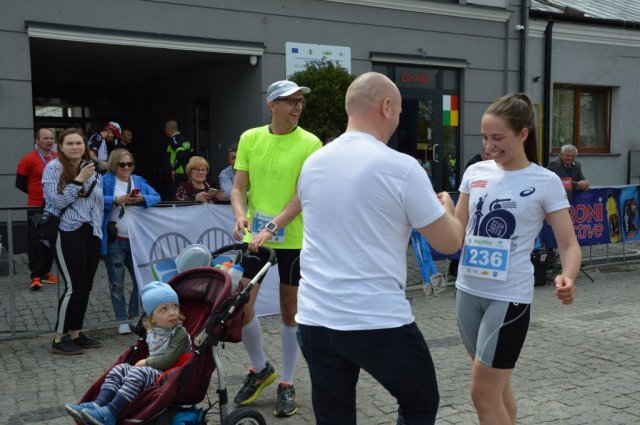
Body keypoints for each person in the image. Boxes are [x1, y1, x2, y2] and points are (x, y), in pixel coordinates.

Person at [254, 72, 463, 425]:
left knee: (334, 417)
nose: (397, 121)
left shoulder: (314, 162)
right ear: (386, 107)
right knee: (420, 401)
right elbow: (449, 242)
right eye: (398, 112)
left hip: (316, 318)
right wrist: (448, 210)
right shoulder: (401, 167)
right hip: (375, 317)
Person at [454, 93, 581, 424]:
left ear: (523, 134)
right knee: (496, 388)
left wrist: (568, 275)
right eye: (485, 137)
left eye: (498, 137)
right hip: (467, 291)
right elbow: (456, 231)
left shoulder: (545, 181)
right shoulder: (475, 172)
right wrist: (441, 212)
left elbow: (568, 243)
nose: (489, 146)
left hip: (508, 297)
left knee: (482, 392)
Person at [231, 80, 322, 417]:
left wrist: (272, 227)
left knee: (290, 309)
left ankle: (287, 381)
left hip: (293, 238)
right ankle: (260, 368)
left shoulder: (311, 142)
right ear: (272, 105)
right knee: (240, 305)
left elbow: (301, 195)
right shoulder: (250, 138)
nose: (297, 106)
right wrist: (240, 215)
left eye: (300, 101)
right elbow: (238, 188)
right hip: (254, 237)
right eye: (290, 101)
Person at [64, 281, 191, 425]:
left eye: (175, 306)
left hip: (170, 375)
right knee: (120, 369)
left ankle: (111, 412)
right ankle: (98, 404)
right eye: (164, 309)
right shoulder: (153, 330)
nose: (172, 312)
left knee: (138, 373)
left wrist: (145, 362)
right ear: (152, 317)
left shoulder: (179, 333)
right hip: (155, 370)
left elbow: (168, 361)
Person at [42, 128, 104, 355]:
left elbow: (97, 201)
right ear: (61, 146)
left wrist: (98, 228)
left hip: (91, 230)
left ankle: (76, 333)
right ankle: (60, 338)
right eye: (70, 143)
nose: (75, 147)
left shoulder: (91, 168)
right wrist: (78, 180)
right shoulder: (54, 168)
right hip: (67, 230)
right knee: (74, 286)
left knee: (85, 286)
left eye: (79, 143)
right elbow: (55, 201)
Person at [102, 149, 161, 334]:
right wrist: (115, 200)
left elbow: (156, 197)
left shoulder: (138, 180)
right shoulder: (106, 180)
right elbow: (95, 199)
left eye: (130, 164)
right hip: (115, 240)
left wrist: (142, 198)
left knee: (140, 281)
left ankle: (133, 317)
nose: (126, 167)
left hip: (136, 240)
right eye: (122, 164)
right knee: (117, 282)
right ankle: (121, 320)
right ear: (114, 164)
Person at [15, 128, 59, 290]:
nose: (49, 141)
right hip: (36, 205)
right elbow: (20, 184)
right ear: (37, 140)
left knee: (51, 239)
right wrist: (36, 193)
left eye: (51, 138)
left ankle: (45, 272)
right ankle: (35, 276)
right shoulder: (28, 159)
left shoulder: (57, 157)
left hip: (53, 205)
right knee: (35, 241)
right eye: (45, 138)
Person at [164, 119, 193, 200]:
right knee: (183, 194)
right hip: (186, 172)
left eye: (165, 128)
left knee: (175, 196)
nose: (165, 131)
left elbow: (180, 153)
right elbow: (192, 155)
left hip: (177, 174)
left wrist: (174, 168)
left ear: (170, 128)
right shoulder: (185, 139)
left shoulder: (174, 139)